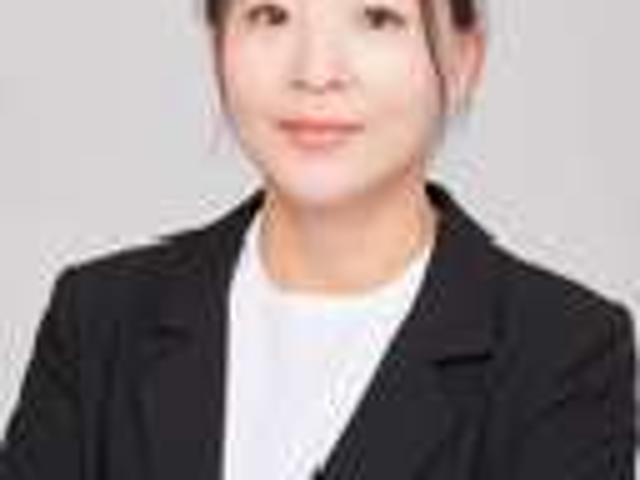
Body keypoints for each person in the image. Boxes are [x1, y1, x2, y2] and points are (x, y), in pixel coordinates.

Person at [0, 0, 635, 478]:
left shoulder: (562, 353)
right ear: (218, 43)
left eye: (377, 18)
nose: (316, 71)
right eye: (271, 15)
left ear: (465, 59)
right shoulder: (99, 318)